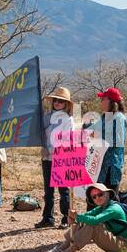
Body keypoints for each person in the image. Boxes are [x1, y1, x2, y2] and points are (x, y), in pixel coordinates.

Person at [45, 183, 127, 252]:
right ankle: (62, 248)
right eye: (94, 197)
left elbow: (95, 220)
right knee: (84, 220)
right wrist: (74, 217)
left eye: (100, 194)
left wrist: (77, 217)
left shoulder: (114, 208)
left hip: (124, 245)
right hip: (116, 242)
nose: (97, 198)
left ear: (107, 194)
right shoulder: (102, 207)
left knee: (93, 225)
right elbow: (86, 216)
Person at [36, 86, 75, 228]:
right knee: (48, 190)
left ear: (66, 104)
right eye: (56, 100)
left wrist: (52, 150)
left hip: (61, 157)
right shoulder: (47, 117)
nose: (58, 103)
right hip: (46, 157)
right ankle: (48, 218)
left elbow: (66, 140)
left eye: (61, 101)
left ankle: (66, 219)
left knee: (63, 190)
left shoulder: (68, 120)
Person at [93, 87, 127, 193]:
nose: (101, 101)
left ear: (111, 102)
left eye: (103, 99)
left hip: (112, 165)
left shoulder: (119, 118)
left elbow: (118, 141)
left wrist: (98, 140)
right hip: (100, 164)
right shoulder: (104, 117)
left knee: (110, 198)